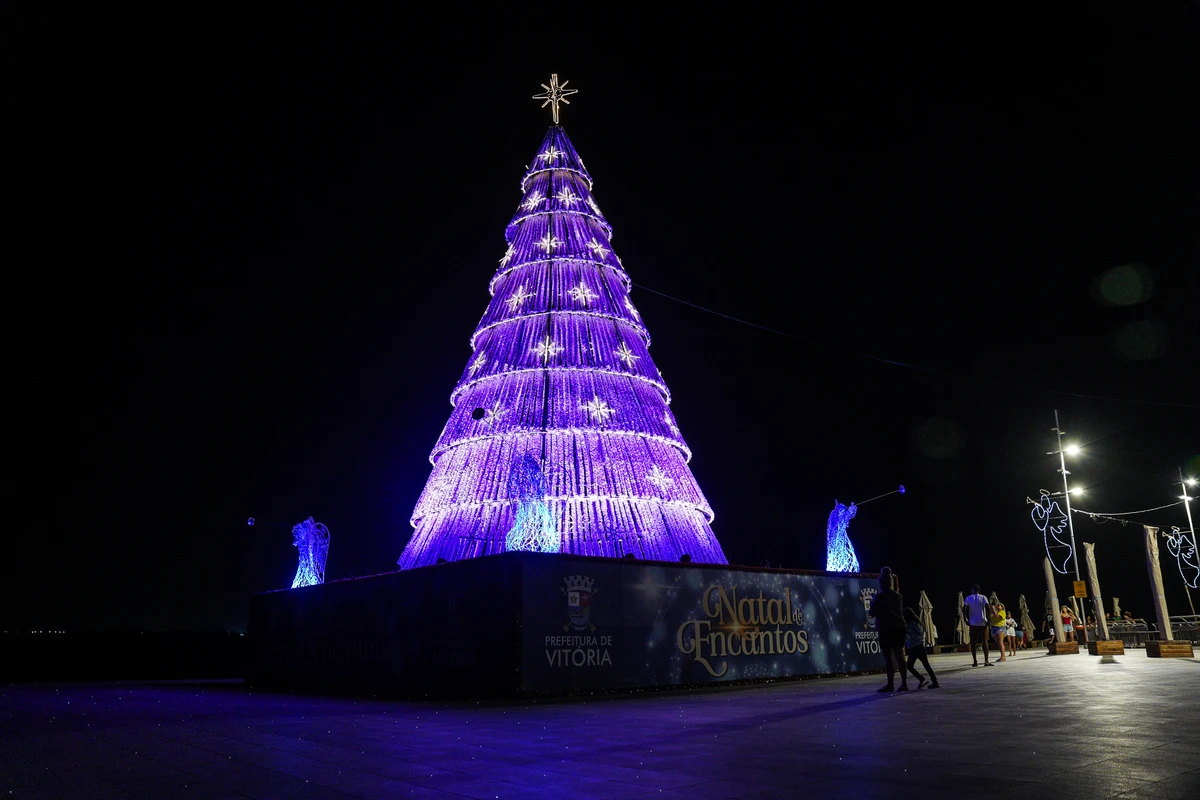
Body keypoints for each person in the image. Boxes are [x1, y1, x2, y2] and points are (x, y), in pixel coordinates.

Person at [869, 567, 909, 692]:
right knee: (900, 656)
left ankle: (890, 684)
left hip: (886, 628)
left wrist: (873, 605)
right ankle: (904, 683)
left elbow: (872, 613)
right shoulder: (898, 596)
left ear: (881, 583)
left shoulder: (879, 597)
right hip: (899, 627)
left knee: (888, 657)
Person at [903, 607, 939, 689]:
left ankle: (921, 678)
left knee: (909, 666)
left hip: (914, 648)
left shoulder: (908, 626)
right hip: (920, 646)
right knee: (926, 665)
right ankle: (934, 681)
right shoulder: (917, 623)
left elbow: (907, 635)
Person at [963, 585, 993, 666]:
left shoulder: (968, 598)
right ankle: (986, 661)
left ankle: (975, 661)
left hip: (973, 623)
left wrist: (965, 618)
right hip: (982, 622)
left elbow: (964, 608)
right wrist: (988, 618)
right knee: (984, 641)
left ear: (972, 590)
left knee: (973, 642)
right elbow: (987, 607)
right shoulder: (983, 597)